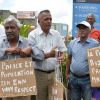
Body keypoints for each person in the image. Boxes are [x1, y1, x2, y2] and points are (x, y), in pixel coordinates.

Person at [0, 15, 45, 100]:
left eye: (12, 27)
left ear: (19, 29)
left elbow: (41, 56)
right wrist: (6, 50)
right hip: (6, 87)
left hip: (23, 88)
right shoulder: (1, 43)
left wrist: (31, 50)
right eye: (7, 28)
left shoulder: (27, 43)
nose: (9, 30)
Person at [28, 10, 66, 100]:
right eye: (46, 19)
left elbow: (62, 50)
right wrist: (50, 54)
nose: (49, 21)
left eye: (50, 19)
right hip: (39, 75)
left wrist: (61, 57)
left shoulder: (56, 34)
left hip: (55, 74)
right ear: (39, 21)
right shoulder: (32, 35)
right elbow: (33, 56)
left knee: (55, 98)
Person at [66, 21, 99, 100]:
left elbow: (98, 61)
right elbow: (69, 58)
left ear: (89, 31)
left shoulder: (95, 44)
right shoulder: (72, 43)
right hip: (73, 78)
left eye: (84, 28)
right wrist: (67, 73)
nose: (81, 30)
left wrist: (97, 78)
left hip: (87, 79)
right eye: (80, 28)